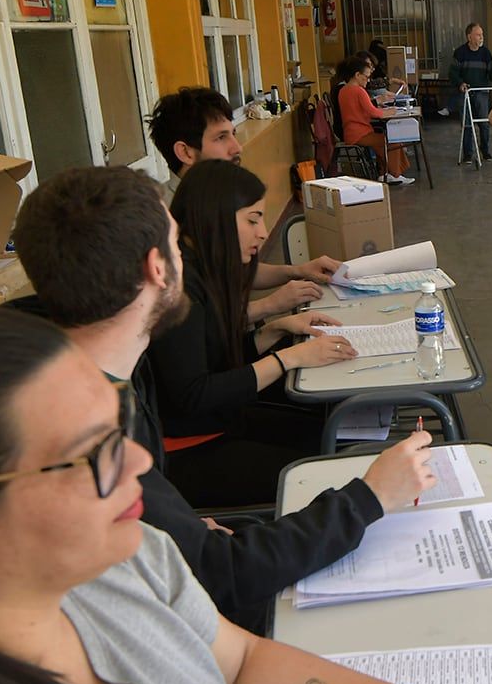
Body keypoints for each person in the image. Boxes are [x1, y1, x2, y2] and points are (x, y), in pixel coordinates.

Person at [0, 305, 492, 684]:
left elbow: (239, 665)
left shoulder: (129, 556)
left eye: (121, 429)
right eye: (91, 453)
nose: (139, 463)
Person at [9, 165, 435, 633]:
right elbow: (223, 574)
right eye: (177, 244)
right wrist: (370, 496)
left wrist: (178, 525)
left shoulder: (61, 372)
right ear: (158, 267)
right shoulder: (92, 431)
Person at [146, 160, 358, 507]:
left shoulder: (203, 270)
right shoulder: (179, 288)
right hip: (188, 451)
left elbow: (214, 362)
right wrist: (287, 358)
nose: (262, 232)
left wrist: (273, 330)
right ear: (215, 218)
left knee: (335, 435)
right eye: (252, 219)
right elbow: (194, 394)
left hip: (220, 422)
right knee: (328, 474)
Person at [147, 86, 341, 317]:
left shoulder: (216, 198)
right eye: (221, 137)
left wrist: (298, 271)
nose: (236, 148)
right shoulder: (168, 223)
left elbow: (235, 269)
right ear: (186, 152)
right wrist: (270, 305)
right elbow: (196, 321)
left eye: (233, 134)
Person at [337, 56, 415, 186]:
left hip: (351, 133)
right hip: (360, 134)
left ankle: (384, 173)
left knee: (383, 141)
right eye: (366, 77)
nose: (368, 80)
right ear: (357, 75)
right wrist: (389, 112)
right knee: (391, 141)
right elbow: (372, 111)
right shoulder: (359, 91)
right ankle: (394, 174)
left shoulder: (343, 90)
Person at [449, 22, 492, 164]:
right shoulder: (460, 53)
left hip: (482, 92)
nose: (481, 37)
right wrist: (460, 83)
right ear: (469, 37)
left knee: (484, 123)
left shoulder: (485, 53)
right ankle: (468, 154)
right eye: (478, 35)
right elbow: (453, 73)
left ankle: (485, 151)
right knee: (467, 123)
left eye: (482, 35)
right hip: (466, 92)